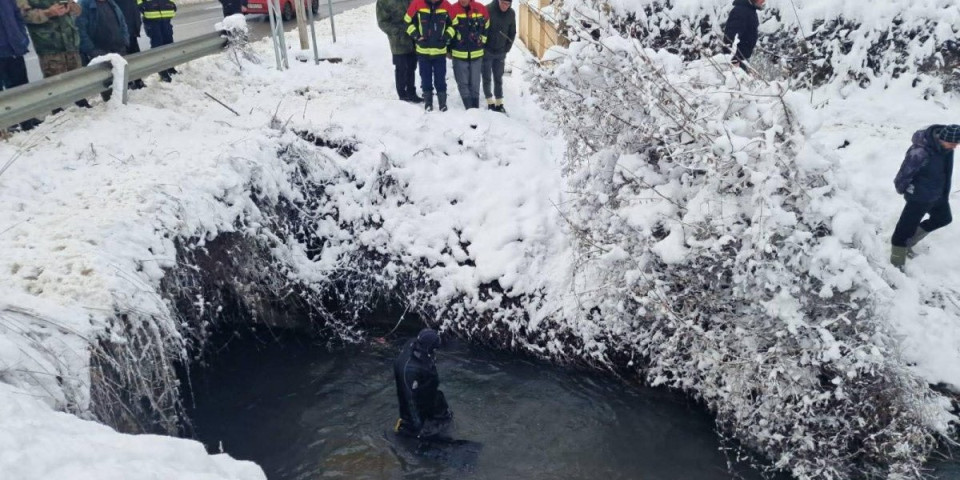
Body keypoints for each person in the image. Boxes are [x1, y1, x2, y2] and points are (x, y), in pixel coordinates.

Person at [891, 124, 959, 269]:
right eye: (953, 144)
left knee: (943, 218)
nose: (955, 147)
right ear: (942, 139)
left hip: (938, 194)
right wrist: (904, 190)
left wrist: (943, 193)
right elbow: (904, 173)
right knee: (904, 230)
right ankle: (897, 262)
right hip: (919, 196)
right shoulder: (920, 152)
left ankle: (908, 243)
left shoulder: (946, 150)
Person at [393, 328, 453, 438]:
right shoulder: (410, 370)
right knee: (415, 423)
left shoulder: (416, 345)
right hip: (414, 394)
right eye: (433, 349)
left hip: (427, 388)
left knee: (444, 414)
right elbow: (409, 399)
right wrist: (417, 427)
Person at [405, 0, 455, 112]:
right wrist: (416, 36)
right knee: (425, 77)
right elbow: (407, 22)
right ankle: (428, 102)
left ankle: (442, 103)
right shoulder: (417, 4)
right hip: (423, 52)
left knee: (440, 78)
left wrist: (446, 37)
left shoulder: (446, 5)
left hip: (439, 52)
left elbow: (455, 24)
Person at [18, 0, 84, 79]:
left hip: (71, 46)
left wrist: (71, 6)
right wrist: (48, 13)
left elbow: (78, 11)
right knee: (58, 86)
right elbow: (23, 15)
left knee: (79, 83)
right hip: (50, 49)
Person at [377, 0, 422, 104]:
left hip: (412, 37)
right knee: (401, 67)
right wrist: (396, 32)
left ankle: (411, 93)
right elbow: (382, 22)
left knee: (412, 66)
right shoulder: (384, 2)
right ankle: (402, 95)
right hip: (398, 40)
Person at [448, 0, 488, 109]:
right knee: (463, 82)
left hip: (477, 54)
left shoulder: (480, 8)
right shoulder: (452, 9)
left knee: (475, 83)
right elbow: (447, 30)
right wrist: (448, 49)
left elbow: (487, 26)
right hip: (459, 53)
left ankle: (475, 107)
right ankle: (469, 107)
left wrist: (482, 42)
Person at [481, 0, 513, 113]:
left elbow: (512, 32)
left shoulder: (511, 13)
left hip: (500, 52)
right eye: (503, 3)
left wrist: (507, 48)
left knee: (498, 78)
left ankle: (499, 103)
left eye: (507, 4)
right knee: (486, 77)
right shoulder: (488, 9)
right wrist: (483, 47)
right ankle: (490, 101)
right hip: (487, 51)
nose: (505, 6)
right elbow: (481, 28)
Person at [137, 0, 176, 81]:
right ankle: (162, 72)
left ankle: (170, 68)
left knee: (169, 43)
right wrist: (143, 6)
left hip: (166, 15)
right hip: (152, 18)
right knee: (157, 44)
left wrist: (171, 4)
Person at [722, 0, 763, 70]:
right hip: (736, 59)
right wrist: (734, 59)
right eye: (761, 0)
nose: (763, 2)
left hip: (742, 57)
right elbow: (730, 36)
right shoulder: (741, 11)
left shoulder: (750, 10)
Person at [115, 0, 145, 88]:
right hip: (122, 34)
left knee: (135, 58)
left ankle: (138, 80)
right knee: (123, 59)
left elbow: (135, 11)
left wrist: (137, 26)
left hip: (132, 32)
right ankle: (127, 83)